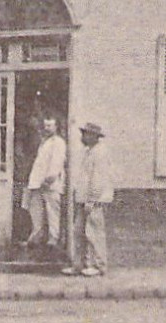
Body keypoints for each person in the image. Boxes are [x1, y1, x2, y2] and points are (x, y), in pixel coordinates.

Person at [65, 122, 112, 277]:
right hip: (83, 199)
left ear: (93, 136)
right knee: (78, 232)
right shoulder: (89, 151)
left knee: (94, 233)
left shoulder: (100, 153)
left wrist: (91, 199)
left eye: (85, 134)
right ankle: (79, 265)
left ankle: (99, 266)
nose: (82, 137)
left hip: (94, 201)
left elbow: (98, 179)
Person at [22, 116, 67, 259]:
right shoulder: (43, 142)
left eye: (50, 126)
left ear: (56, 127)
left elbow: (57, 163)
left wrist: (49, 179)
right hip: (37, 183)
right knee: (36, 212)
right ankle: (35, 238)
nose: (46, 128)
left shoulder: (58, 142)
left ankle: (54, 240)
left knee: (52, 213)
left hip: (50, 184)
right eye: (45, 125)